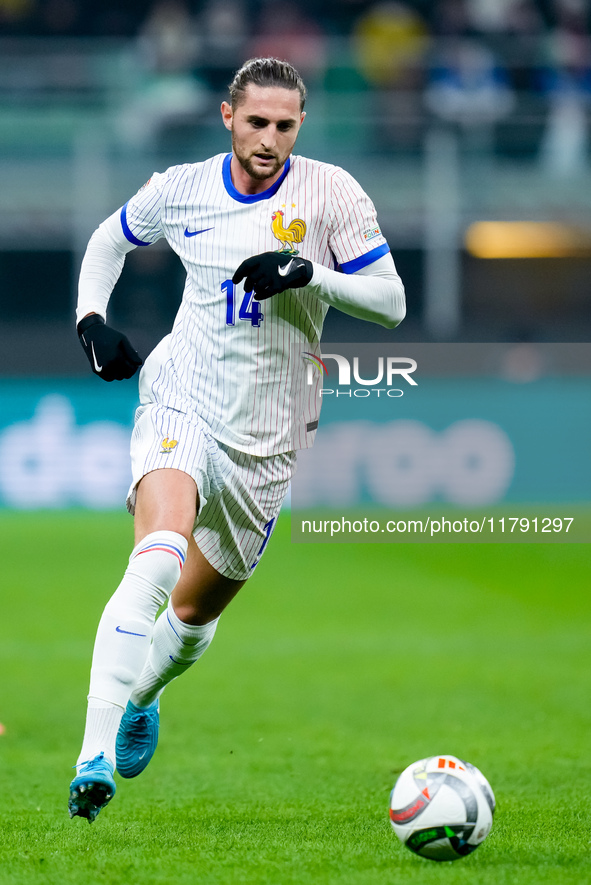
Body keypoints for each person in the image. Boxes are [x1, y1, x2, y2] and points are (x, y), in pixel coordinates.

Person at [68, 56, 406, 822]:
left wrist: (308, 274)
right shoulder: (180, 187)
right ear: (228, 116)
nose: (269, 138)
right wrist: (90, 319)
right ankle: (90, 756)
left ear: (300, 125)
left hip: (268, 433)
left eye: (285, 125)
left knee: (190, 621)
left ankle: (141, 697)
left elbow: (389, 302)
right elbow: (107, 240)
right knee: (157, 553)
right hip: (181, 396)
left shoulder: (331, 193)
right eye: (256, 121)